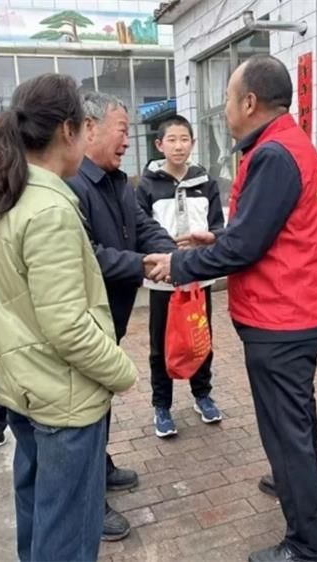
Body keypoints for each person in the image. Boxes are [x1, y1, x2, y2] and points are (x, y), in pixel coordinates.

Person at [145, 55, 317, 562]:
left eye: (228, 98)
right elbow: (262, 231)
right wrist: (220, 237)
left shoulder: (273, 154)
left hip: (282, 317)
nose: (225, 108)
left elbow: (246, 247)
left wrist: (178, 265)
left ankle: (309, 544)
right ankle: (307, 485)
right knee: (297, 416)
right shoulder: (289, 144)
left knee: (284, 431)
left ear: (249, 102)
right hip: (300, 309)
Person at [0, 74, 137, 562]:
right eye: (85, 128)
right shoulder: (48, 208)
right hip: (62, 397)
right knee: (68, 532)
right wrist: (122, 373)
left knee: (38, 511)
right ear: (68, 130)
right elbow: (69, 327)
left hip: (23, 384)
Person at [65, 91, 179, 541]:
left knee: (100, 400)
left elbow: (142, 226)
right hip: (84, 319)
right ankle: (89, 501)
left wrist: (172, 256)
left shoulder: (117, 181)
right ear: (89, 128)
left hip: (111, 315)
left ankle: (101, 464)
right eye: (122, 130)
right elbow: (87, 255)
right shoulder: (73, 184)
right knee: (83, 407)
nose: (127, 140)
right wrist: (142, 265)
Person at [136, 115, 225, 438]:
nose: (178, 146)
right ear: (159, 145)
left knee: (201, 338)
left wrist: (207, 243)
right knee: (162, 344)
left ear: (193, 143)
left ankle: (203, 395)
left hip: (199, 278)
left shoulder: (206, 182)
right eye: (171, 140)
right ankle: (162, 405)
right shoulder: (147, 185)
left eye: (184, 139)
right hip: (163, 281)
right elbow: (140, 230)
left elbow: (218, 228)